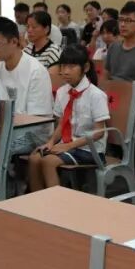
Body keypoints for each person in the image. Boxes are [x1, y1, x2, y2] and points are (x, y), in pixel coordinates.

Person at [27, 44, 109, 192]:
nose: (65, 71)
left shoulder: (96, 95)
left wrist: (68, 146)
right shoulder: (62, 92)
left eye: (71, 67)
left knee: (48, 161)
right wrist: (51, 142)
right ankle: (38, 201)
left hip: (90, 150)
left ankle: (57, 204)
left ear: (85, 67)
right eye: (63, 66)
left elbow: (99, 132)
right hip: (68, 145)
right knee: (34, 158)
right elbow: (61, 124)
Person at [0, 17, 53, 153]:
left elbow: (37, 121)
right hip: (7, 129)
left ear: (14, 42)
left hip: (33, 135)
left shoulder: (36, 71)